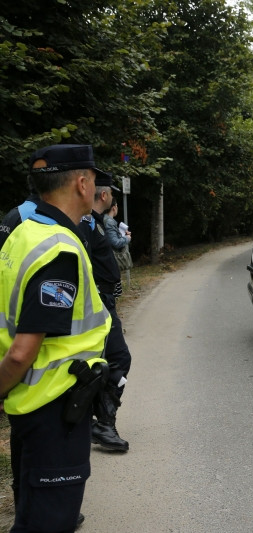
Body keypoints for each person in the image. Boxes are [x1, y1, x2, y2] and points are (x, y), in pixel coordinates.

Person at [0, 144, 112, 531]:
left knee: (33, 510)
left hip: (31, 407)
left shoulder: (24, 233)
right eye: (95, 180)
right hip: (53, 412)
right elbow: (21, 353)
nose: (96, 188)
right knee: (48, 521)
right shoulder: (59, 251)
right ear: (82, 183)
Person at [78, 174, 132, 452]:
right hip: (97, 304)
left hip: (105, 301)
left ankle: (96, 423)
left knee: (105, 360)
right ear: (104, 195)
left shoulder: (96, 223)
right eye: (110, 192)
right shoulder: (85, 224)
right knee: (118, 357)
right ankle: (102, 424)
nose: (112, 196)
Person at [103, 197, 133, 275]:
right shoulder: (109, 222)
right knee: (116, 285)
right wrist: (127, 238)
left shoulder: (104, 219)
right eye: (117, 205)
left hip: (107, 261)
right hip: (112, 261)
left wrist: (121, 234)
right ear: (113, 208)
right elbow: (115, 242)